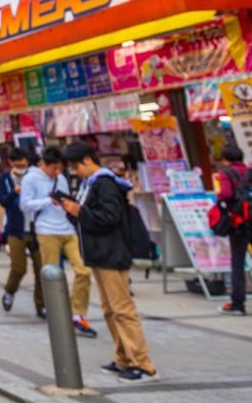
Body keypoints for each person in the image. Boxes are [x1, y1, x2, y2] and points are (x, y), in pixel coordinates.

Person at [58, 143, 155, 382]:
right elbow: (88, 221)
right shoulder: (91, 185)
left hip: (112, 253)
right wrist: (72, 211)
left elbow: (109, 218)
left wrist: (79, 211)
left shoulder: (105, 183)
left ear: (88, 161)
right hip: (99, 255)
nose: (75, 172)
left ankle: (143, 365)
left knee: (123, 310)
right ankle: (123, 357)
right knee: (110, 310)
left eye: (76, 166)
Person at [17, 147, 97, 333]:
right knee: (53, 275)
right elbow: (25, 205)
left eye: (60, 168)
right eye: (54, 168)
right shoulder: (30, 178)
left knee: (83, 270)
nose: (57, 172)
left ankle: (78, 314)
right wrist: (48, 201)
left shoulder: (61, 178)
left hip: (68, 229)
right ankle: (57, 313)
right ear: (43, 164)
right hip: (46, 231)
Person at [213, 147, 252, 316]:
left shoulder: (226, 174)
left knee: (238, 264)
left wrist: (218, 198)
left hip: (239, 224)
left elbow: (226, 194)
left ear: (225, 159)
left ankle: (238, 304)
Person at [0, 149, 39, 314]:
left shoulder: (35, 176)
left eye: (23, 161)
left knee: (42, 269)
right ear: (11, 163)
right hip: (15, 229)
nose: (21, 165)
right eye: (17, 162)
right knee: (19, 267)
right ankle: (9, 291)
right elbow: (3, 201)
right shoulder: (5, 178)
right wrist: (13, 193)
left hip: (35, 228)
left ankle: (41, 305)